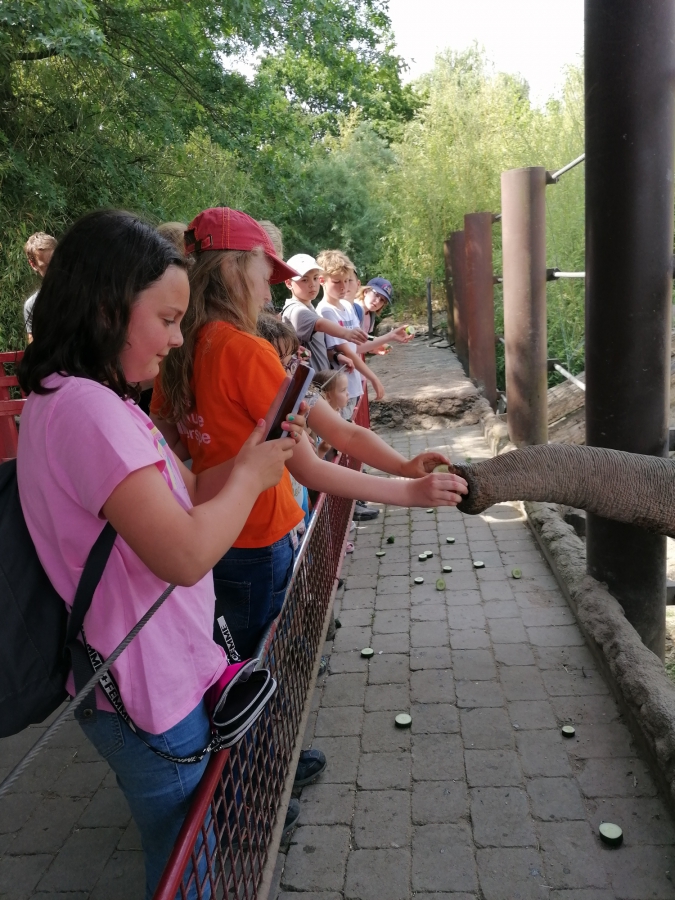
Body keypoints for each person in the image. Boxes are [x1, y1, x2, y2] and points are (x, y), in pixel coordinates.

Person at [16, 209, 300, 899]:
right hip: (146, 690)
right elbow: (183, 554)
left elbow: (178, 491)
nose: (177, 340)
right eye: (167, 319)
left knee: (190, 852)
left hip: (161, 673)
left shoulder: (87, 397)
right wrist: (254, 480)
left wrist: (246, 459)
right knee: (188, 869)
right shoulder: (88, 410)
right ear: (110, 308)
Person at [152, 206, 468, 660]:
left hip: (212, 534)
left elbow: (171, 441)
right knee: (253, 663)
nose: (269, 289)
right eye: (265, 274)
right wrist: (409, 489)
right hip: (259, 537)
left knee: (229, 659)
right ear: (233, 270)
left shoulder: (178, 347)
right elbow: (312, 468)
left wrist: (402, 465)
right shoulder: (245, 351)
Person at [315, 249, 385, 421]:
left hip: (351, 385)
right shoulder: (325, 310)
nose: (344, 287)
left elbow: (359, 345)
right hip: (336, 389)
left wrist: (390, 337)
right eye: (337, 281)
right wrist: (373, 378)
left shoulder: (347, 307)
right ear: (322, 280)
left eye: (346, 281)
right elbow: (347, 351)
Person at [281, 253, 367, 374]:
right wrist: (346, 333)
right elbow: (320, 324)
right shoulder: (295, 310)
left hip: (320, 384)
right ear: (289, 283)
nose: (312, 284)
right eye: (304, 279)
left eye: (315, 278)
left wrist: (336, 356)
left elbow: (316, 349)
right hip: (310, 386)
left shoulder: (309, 308)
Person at [354, 277, 413, 355]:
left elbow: (365, 337)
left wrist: (374, 346)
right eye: (376, 294)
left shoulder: (370, 315)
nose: (378, 301)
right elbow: (351, 345)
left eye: (382, 300)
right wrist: (388, 337)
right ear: (366, 291)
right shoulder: (351, 310)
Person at [22, 231, 57, 341]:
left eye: (55, 262)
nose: (53, 269)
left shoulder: (84, 291)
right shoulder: (32, 306)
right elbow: (34, 347)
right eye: (46, 266)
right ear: (33, 265)